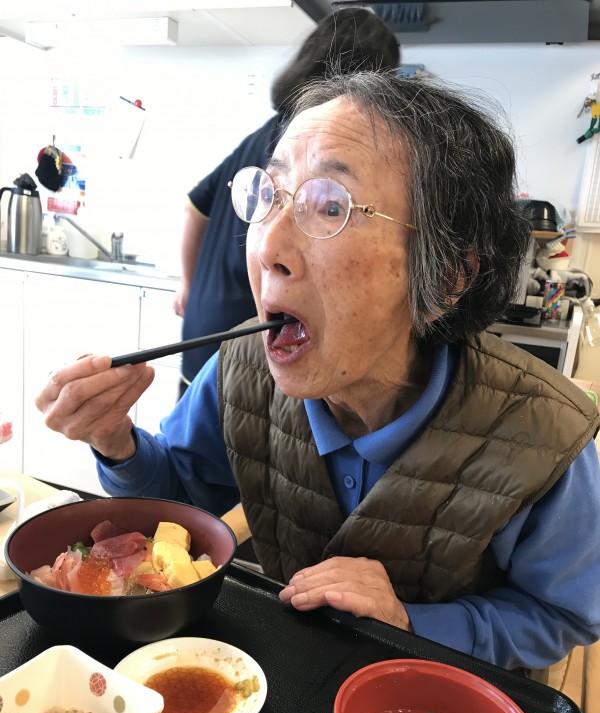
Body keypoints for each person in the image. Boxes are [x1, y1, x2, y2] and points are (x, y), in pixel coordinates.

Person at [37, 71, 600, 675]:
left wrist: (415, 624)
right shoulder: (241, 369)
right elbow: (180, 504)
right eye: (271, 195)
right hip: (282, 684)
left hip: (444, 707)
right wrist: (116, 442)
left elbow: (564, 614)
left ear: (444, 278)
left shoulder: (541, 435)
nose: (267, 248)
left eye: (331, 206)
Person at [174, 8, 400, 395]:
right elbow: (197, 205)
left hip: (204, 328)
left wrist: (189, 285)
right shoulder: (310, 144)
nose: (270, 248)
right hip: (241, 345)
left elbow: (195, 207)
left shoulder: (266, 133)